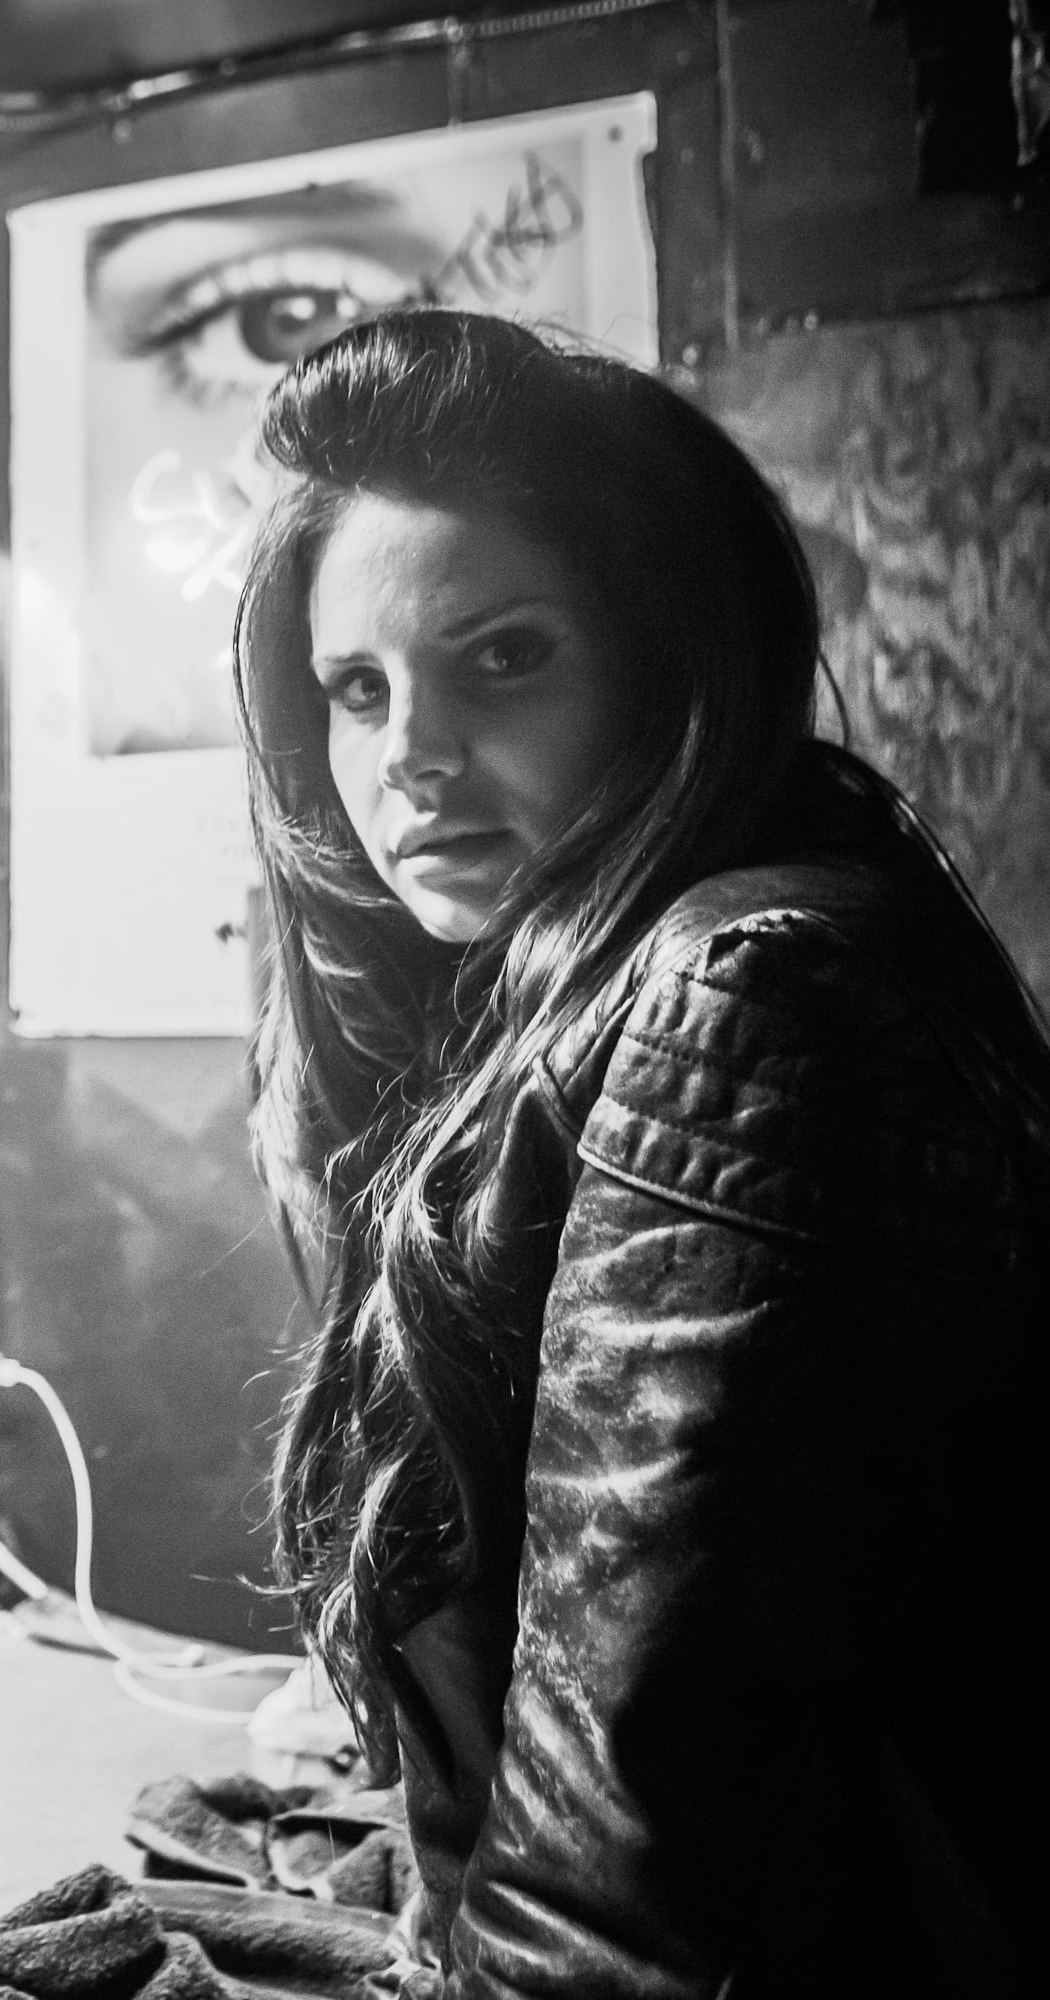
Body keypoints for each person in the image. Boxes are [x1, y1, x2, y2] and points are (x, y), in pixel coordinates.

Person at [236, 310, 1035, 1994]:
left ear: (673, 659)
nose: (409, 754)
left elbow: (634, 1896)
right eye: (358, 688)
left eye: (504, 656)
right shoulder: (602, 988)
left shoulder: (748, 989)